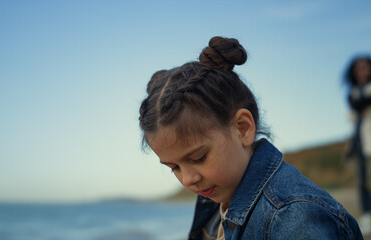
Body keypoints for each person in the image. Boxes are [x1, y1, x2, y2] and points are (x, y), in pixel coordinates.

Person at [138, 36, 363, 239]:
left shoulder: (293, 218)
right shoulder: (214, 198)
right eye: (173, 167)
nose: (187, 179)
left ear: (242, 129)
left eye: (198, 157)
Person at [345, 56, 371, 235]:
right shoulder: (354, 92)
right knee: (362, 181)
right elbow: (354, 115)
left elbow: (360, 105)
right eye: (358, 68)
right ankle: (367, 216)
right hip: (361, 141)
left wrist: (359, 104)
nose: (362, 71)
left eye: (365, 66)